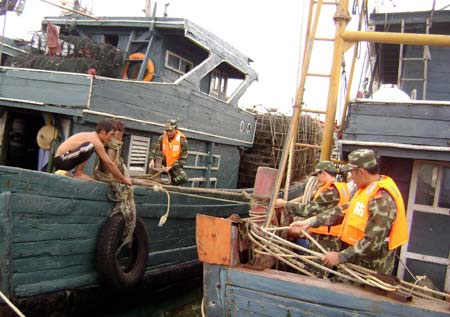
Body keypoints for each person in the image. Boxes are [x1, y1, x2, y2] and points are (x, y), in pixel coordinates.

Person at [289, 149, 408, 275]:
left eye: (351, 172)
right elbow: (343, 211)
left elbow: (372, 243)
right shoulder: (367, 189)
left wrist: (340, 257)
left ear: (361, 172)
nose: (350, 177)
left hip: (369, 270)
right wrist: (310, 222)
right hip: (355, 263)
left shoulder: (382, 200)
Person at [276, 161, 350, 276]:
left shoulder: (330, 192)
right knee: (325, 268)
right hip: (334, 236)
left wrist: (284, 204)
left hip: (326, 239)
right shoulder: (342, 187)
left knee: (318, 270)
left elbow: (306, 210)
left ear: (324, 173)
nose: (317, 179)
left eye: (318, 176)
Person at [54, 119, 132, 185]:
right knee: (89, 146)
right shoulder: (95, 140)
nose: (111, 138)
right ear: (102, 131)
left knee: (90, 146)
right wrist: (123, 179)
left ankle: (78, 173)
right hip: (61, 160)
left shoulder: (95, 139)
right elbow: (109, 163)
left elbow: (107, 162)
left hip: (66, 160)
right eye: (111, 134)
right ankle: (78, 173)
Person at [148, 119, 189, 185]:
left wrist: (171, 167)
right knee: (157, 156)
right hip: (163, 164)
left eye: (170, 131)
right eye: (167, 131)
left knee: (183, 178)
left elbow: (183, 159)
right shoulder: (161, 138)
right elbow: (154, 150)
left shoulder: (182, 141)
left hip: (174, 165)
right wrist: (151, 160)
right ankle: (153, 180)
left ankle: (170, 185)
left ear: (176, 129)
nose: (168, 133)